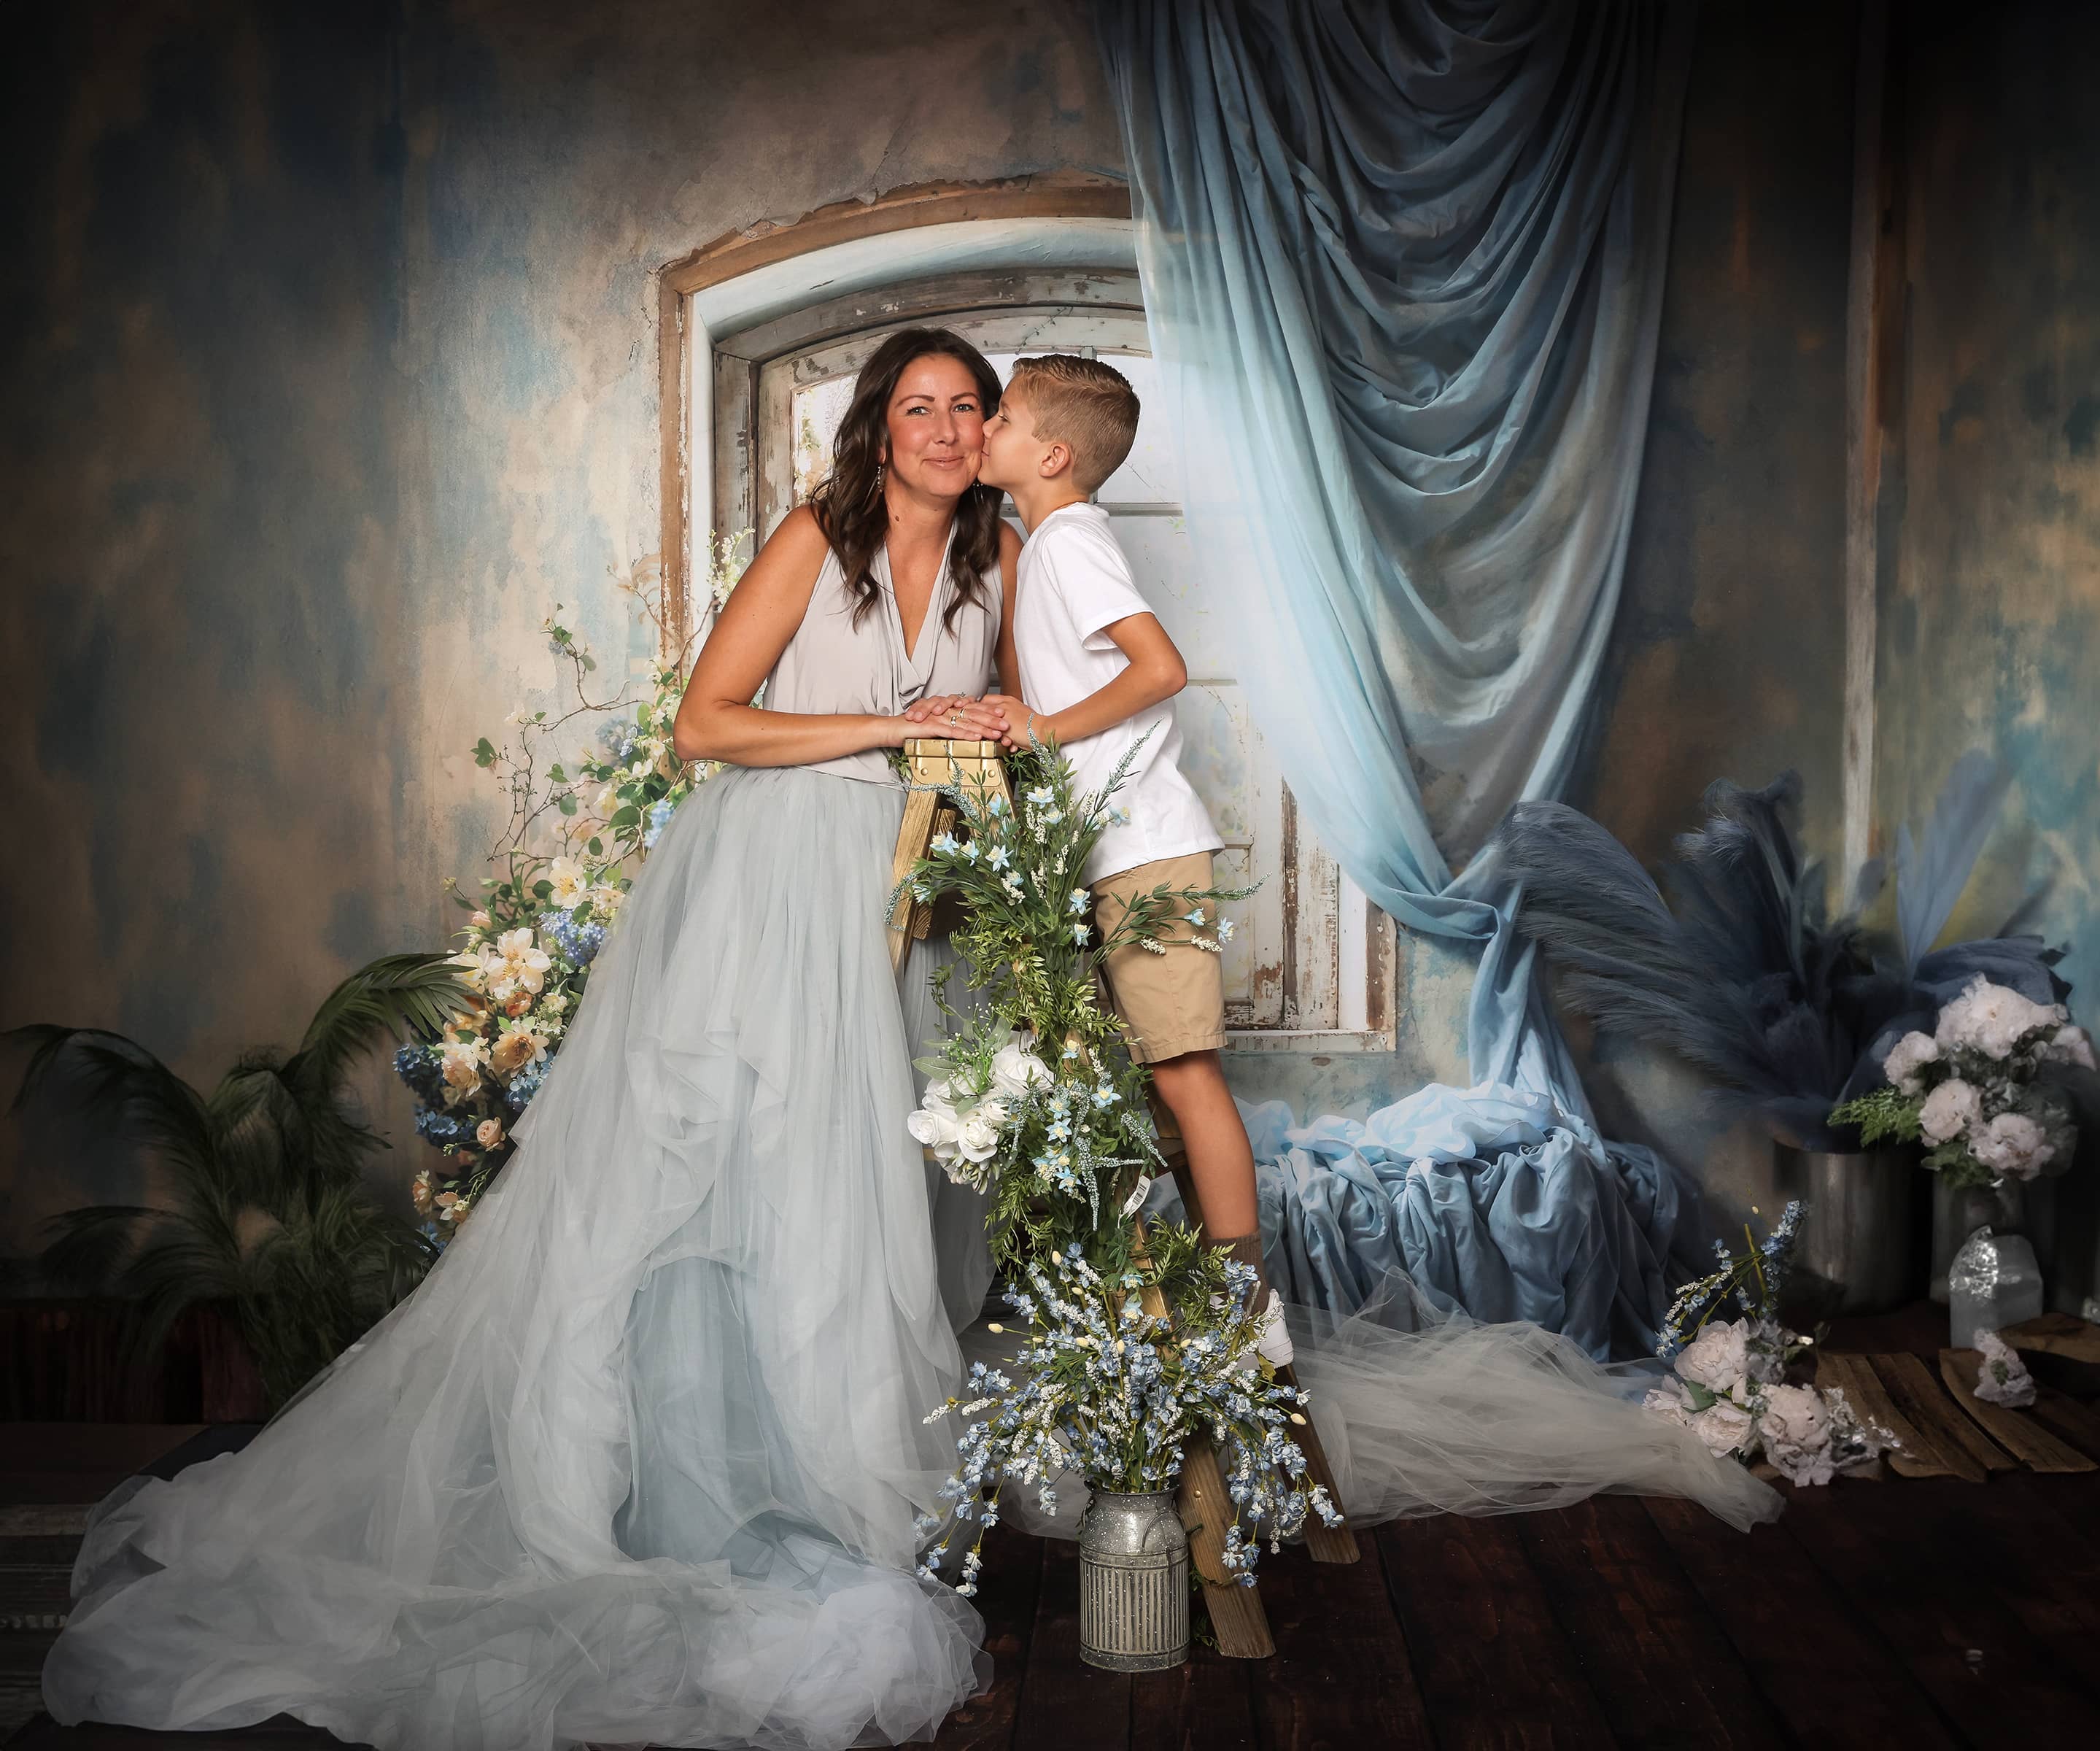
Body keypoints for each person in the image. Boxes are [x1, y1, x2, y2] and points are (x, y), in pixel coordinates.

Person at [43, 327, 1020, 1751]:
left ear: (992, 434)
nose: (940, 427)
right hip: (764, 900)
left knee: (847, 1203)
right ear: (876, 431)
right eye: (916, 405)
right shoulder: (822, 538)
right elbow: (705, 725)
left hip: (884, 919)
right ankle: (585, 1504)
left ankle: (836, 1486)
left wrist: (974, 771)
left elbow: (969, 745)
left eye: (965, 408)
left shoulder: (994, 567)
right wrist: (891, 727)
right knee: (670, 1192)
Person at [964, 354, 1272, 1314]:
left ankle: (1245, 1307)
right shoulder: (1044, 540)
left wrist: (1043, 729)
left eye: (1001, 416)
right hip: (1120, 849)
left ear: (1051, 454)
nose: (983, 430)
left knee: (1185, 1075)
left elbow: (1161, 667)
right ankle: (1192, 1292)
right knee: (1155, 1079)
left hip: (1147, 845)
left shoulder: (1068, 542)